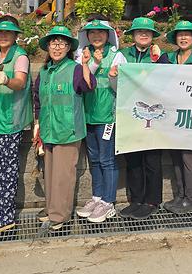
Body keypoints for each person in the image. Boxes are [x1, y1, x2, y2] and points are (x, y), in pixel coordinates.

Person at [33, 25, 95, 232]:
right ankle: (51, 208)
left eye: (62, 43)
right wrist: (37, 124)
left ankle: (60, 215)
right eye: (53, 43)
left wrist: (85, 64)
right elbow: (38, 100)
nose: (57, 47)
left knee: (63, 175)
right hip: (48, 129)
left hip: (68, 130)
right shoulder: (44, 71)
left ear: (69, 47)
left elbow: (88, 86)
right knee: (49, 173)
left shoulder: (75, 68)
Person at [114, 16, 170, 220]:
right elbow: (115, 82)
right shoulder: (122, 55)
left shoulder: (160, 56)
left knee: (152, 160)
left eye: (147, 32)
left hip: (154, 116)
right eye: (139, 32)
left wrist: (159, 61)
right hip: (130, 114)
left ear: (153, 36)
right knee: (134, 160)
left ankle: (152, 201)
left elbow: (168, 82)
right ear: (133, 35)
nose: (143, 35)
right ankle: (136, 200)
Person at [0, 15, 31, 235]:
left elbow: (20, 82)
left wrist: (8, 80)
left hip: (10, 123)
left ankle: (4, 217)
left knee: (6, 171)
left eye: (7, 32)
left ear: (15, 35)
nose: (2, 36)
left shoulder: (20, 56)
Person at [74, 16, 123, 224]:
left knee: (107, 159)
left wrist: (113, 77)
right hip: (88, 114)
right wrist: (90, 62)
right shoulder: (81, 55)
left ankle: (108, 202)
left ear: (108, 35)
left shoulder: (117, 55)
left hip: (107, 115)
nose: (96, 36)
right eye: (92, 33)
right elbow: (83, 82)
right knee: (94, 158)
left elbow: (122, 87)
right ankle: (97, 197)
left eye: (100, 33)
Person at [162, 20, 192, 215]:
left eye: (188, 34)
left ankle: (191, 198)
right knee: (176, 156)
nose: (184, 37)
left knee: (189, 156)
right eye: (180, 34)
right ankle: (180, 195)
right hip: (171, 114)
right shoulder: (168, 57)